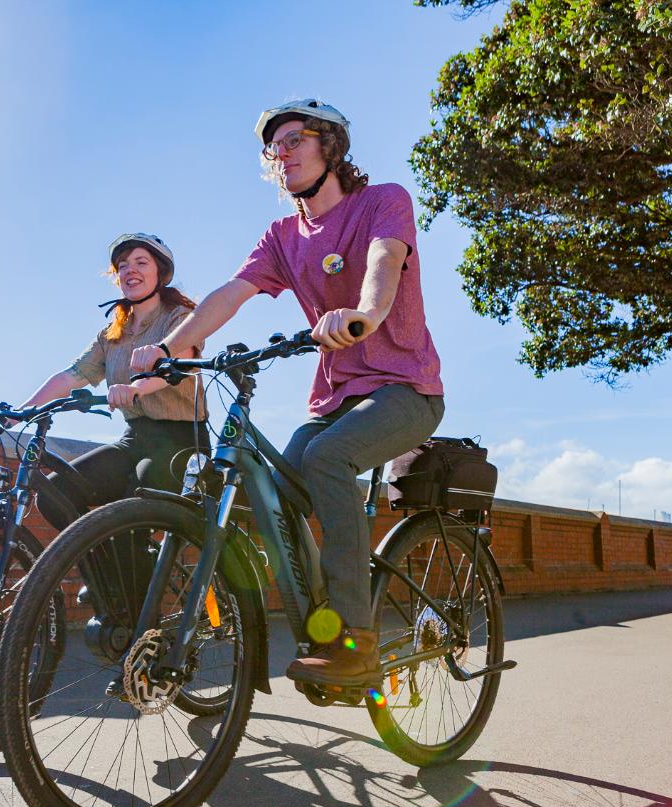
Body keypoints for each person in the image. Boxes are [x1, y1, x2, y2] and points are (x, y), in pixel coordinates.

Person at [131, 99, 445, 689]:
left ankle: (355, 642)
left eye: (297, 139)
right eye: (275, 146)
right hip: (336, 400)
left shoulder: (382, 202)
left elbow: (385, 260)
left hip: (407, 389)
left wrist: (366, 313)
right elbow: (231, 292)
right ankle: (320, 622)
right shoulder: (282, 236)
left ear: (331, 145)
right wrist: (171, 348)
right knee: (272, 495)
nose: (284, 152)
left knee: (328, 458)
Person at [20, 232, 210, 538]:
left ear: (159, 272)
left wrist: (136, 389)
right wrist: (22, 411)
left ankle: (133, 582)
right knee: (56, 496)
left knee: (129, 516)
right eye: (123, 265)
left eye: (141, 262)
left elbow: (180, 362)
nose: (130, 270)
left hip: (181, 441)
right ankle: (104, 577)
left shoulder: (180, 318)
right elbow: (73, 375)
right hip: (134, 438)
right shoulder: (111, 335)